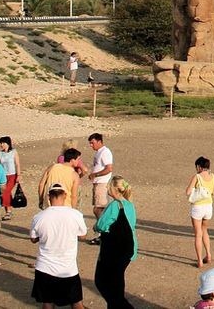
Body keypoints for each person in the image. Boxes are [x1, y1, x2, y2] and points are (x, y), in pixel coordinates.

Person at [30, 182, 87, 309]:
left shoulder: (38, 217)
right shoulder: (75, 215)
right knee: (76, 302)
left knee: (48, 303)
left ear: (49, 197)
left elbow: (33, 239)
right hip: (68, 268)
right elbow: (83, 235)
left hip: (45, 267)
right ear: (65, 195)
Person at [93, 176, 137, 309]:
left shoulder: (114, 205)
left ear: (114, 188)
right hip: (128, 249)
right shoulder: (130, 204)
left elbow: (101, 225)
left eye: (109, 186)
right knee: (117, 282)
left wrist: (96, 226)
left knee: (102, 281)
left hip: (113, 250)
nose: (107, 188)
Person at [186, 156, 214, 268]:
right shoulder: (212, 176)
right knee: (205, 231)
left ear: (199, 166)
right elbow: (213, 192)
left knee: (198, 234)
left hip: (198, 207)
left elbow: (188, 192)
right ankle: (208, 255)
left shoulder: (197, 177)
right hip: (208, 207)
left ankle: (199, 261)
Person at [87, 132, 114, 244]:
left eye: (92, 143)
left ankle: (103, 232)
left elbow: (109, 168)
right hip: (97, 183)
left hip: (102, 183)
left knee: (98, 209)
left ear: (99, 141)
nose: (91, 145)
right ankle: (102, 233)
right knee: (98, 209)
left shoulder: (105, 152)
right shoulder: (99, 152)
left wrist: (96, 174)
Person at [0, 135, 21, 220]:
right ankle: (8, 210)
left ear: (8, 143)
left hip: (12, 175)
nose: (1, 145)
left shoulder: (13, 152)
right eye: (1, 143)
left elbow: (17, 164)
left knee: (6, 192)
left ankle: (8, 211)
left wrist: (19, 175)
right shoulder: (0, 153)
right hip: (3, 176)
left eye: (3, 143)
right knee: (6, 192)